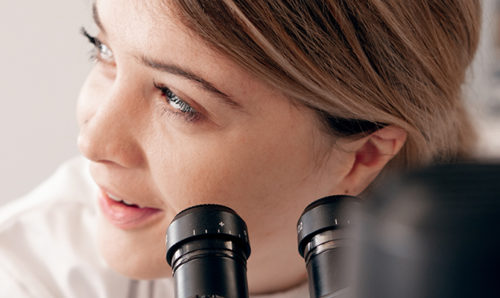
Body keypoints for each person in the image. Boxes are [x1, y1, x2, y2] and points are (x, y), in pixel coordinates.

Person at [0, 0, 481, 297]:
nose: (93, 141)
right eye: (102, 49)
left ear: (364, 155)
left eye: (178, 100)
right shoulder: (30, 269)